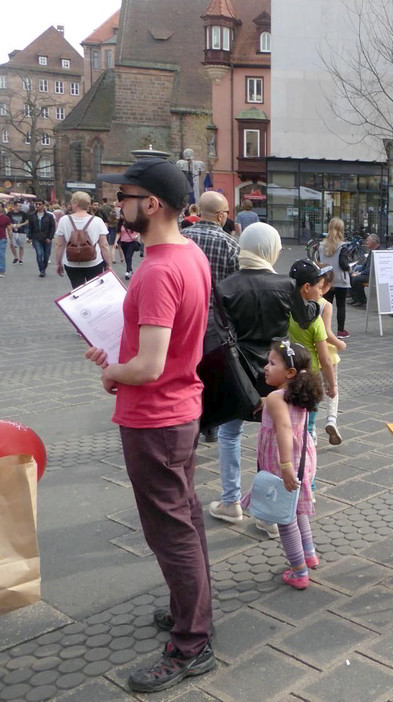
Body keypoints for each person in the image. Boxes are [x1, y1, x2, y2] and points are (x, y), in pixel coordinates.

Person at [87, 157, 215, 693]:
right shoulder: (190, 254)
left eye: (127, 196)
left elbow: (150, 365)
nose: (120, 204)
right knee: (185, 520)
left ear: (153, 204)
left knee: (171, 533)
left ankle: (191, 642)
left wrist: (113, 372)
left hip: (156, 415)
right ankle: (192, 614)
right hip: (180, 410)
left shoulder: (161, 269)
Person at [211, 223, 319, 536]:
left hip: (239, 373)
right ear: (270, 248)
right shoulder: (286, 284)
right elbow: (305, 316)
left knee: (230, 434)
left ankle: (231, 500)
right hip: (278, 370)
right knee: (279, 438)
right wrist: (314, 299)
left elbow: (219, 335)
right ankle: (271, 513)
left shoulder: (225, 286)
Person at [241, 340, 322, 589]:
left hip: (283, 461)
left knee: (283, 518)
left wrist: (285, 467)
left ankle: (298, 571)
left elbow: (284, 429)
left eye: (272, 363)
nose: (265, 367)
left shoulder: (278, 398)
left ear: (290, 373)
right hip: (303, 459)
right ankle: (309, 554)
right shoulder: (298, 393)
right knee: (296, 510)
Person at [181, 191, 240, 443]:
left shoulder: (181, 239)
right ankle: (211, 426)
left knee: (186, 371)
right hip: (216, 320)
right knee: (211, 371)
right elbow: (237, 287)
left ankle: (187, 421)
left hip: (183, 317)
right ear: (221, 215)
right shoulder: (231, 245)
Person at [288, 259, 339, 445]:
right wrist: (332, 385)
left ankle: (296, 440)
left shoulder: (288, 313)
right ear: (307, 288)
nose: (321, 291)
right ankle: (308, 444)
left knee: (294, 415)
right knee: (310, 420)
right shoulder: (315, 321)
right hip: (312, 375)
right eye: (319, 287)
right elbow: (325, 359)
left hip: (292, 372)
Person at [314, 269, 348, 444]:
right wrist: (339, 343)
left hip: (309, 354)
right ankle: (331, 419)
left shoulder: (302, 303)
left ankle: (311, 430)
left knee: (314, 391)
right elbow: (326, 333)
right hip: (327, 353)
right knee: (332, 386)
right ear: (326, 286)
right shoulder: (325, 305)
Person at [52, 191, 113, 288]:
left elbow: (60, 245)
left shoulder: (64, 220)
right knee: (94, 291)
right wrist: (109, 264)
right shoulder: (98, 221)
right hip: (94, 262)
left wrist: (58, 263)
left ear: (76, 203)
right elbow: (104, 245)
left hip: (72, 263)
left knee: (77, 290)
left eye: (72, 202)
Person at [181, 192, 240, 286]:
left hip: (188, 299)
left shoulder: (181, 237)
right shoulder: (231, 244)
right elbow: (237, 281)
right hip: (219, 299)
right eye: (227, 212)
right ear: (220, 215)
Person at [318, 217, 352, 338]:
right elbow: (343, 264)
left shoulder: (321, 245)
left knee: (326, 306)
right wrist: (350, 268)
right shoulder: (342, 246)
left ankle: (325, 330)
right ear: (341, 230)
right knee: (341, 305)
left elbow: (319, 262)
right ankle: (341, 331)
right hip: (340, 281)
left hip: (327, 280)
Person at [26, 199, 56, 276]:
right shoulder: (32, 215)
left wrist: (50, 237)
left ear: (43, 205)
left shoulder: (49, 216)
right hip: (36, 238)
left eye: (39, 204)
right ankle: (41, 270)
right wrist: (29, 237)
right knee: (39, 254)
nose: (38, 206)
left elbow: (53, 227)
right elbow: (30, 227)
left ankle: (44, 268)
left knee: (46, 255)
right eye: (37, 204)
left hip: (47, 238)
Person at [350, 233, 379, 306]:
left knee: (356, 279)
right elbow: (365, 264)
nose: (366, 242)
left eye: (368, 241)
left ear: (374, 242)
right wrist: (358, 271)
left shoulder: (378, 252)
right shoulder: (371, 251)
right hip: (367, 273)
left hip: (374, 275)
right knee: (351, 275)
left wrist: (360, 273)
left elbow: (373, 268)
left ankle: (362, 300)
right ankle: (355, 298)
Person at [0, 204, 11, 277]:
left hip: (2, 238)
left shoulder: (6, 218)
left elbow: (9, 229)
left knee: (1, 254)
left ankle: (1, 270)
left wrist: (11, 239)